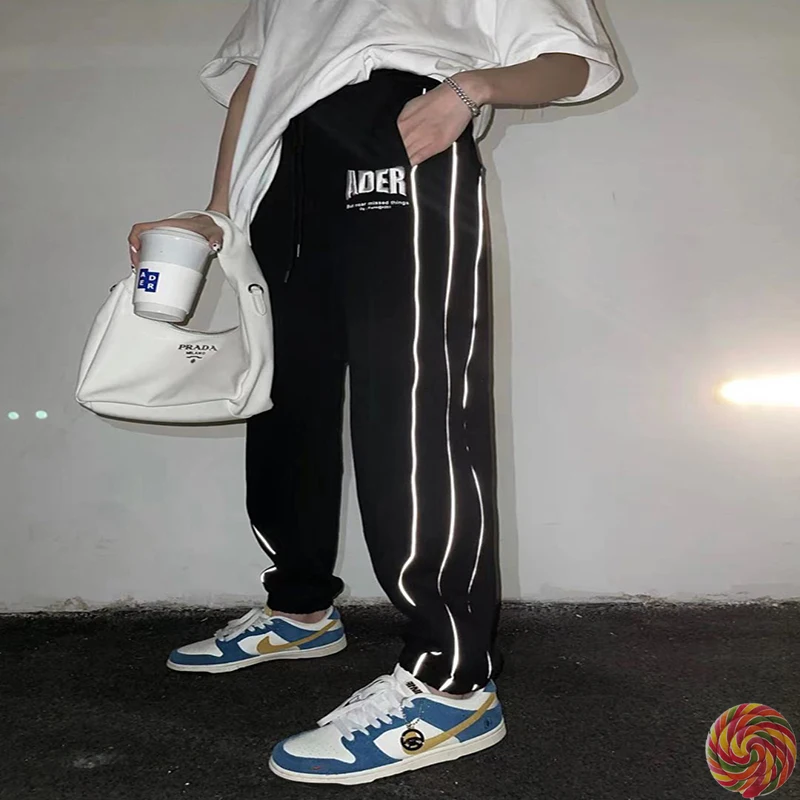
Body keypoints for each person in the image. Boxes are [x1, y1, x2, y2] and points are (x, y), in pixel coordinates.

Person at [129, 0, 620, 785]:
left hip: (393, 132)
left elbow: (576, 62)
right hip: (282, 169)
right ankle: (299, 606)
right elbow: (260, 77)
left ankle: (452, 685)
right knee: (285, 402)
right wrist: (221, 209)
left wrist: (469, 90)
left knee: (413, 405)